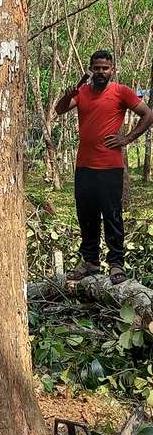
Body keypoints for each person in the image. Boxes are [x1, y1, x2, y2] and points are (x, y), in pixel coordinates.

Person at [55, 50, 152, 285]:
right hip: (84, 166)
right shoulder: (83, 93)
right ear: (90, 69)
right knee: (86, 215)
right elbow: (59, 110)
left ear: (112, 70)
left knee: (112, 216)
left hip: (110, 167)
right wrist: (67, 96)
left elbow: (148, 114)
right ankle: (90, 261)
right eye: (96, 68)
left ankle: (116, 264)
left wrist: (127, 139)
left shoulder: (121, 92)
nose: (100, 72)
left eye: (104, 68)